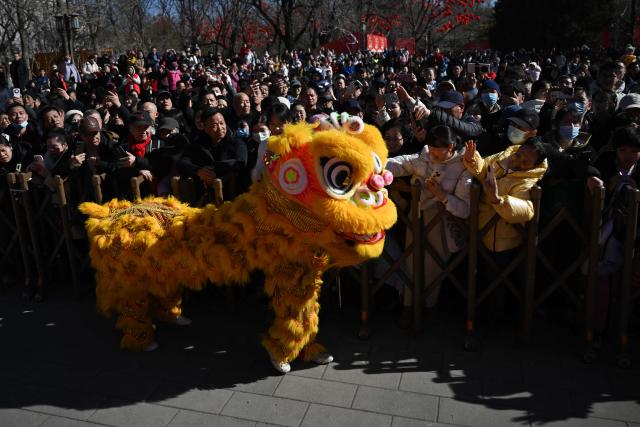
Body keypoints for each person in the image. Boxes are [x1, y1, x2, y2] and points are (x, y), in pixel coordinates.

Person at [386, 125, 472, 325]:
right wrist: (373, 165)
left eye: (437, 150)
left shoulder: (463, 165)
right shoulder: (423, 157)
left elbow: (465, 208)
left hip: (442, 221)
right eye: (430, 148)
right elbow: (400, 163)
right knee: (411, 262)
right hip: (416, 216)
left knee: (433, 267)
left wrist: (441, 195)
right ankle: (408, 306)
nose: (433, 154)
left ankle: (428, 308)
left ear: (450, 147)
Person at [177, 107, 248, 201]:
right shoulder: (198, 145)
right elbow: (183, 163)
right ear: (205, 128)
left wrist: (214, 170)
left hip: (233, 195)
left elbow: (241, 162)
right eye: (214, 125)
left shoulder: (236, 143)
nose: (220, 128)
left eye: (222, 123)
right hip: (204, 195)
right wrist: (198, 171)